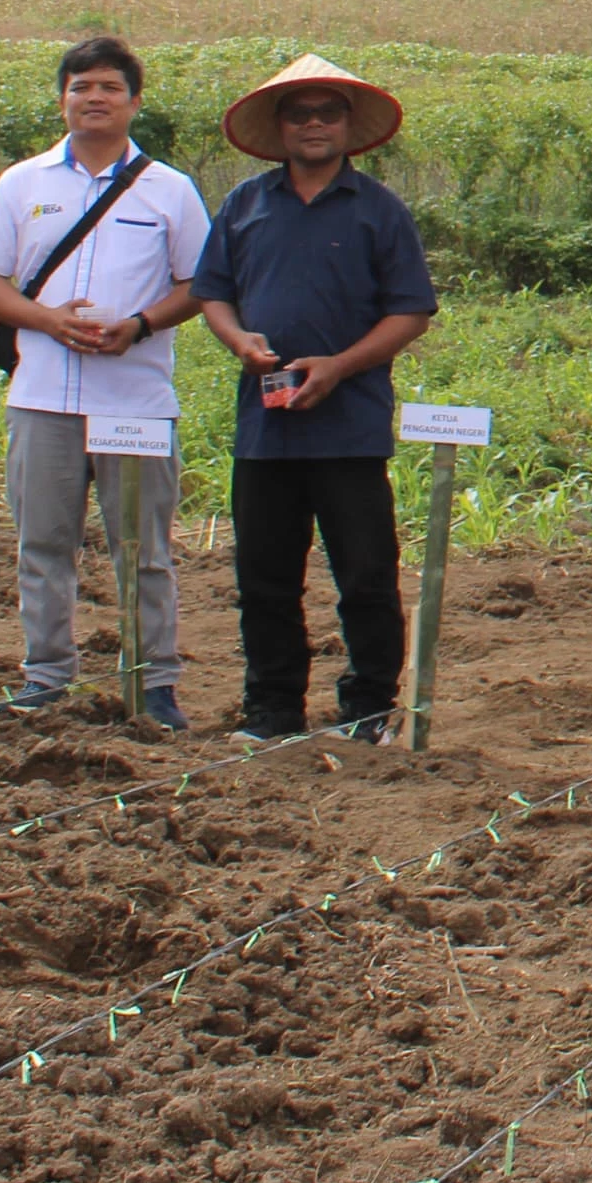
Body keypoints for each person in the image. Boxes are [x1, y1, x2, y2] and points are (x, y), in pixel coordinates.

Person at [0, 36, 211, 726]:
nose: (93, 98)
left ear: (134, 101)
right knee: (43, 542)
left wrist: (139, 322)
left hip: (135, 400)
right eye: (80, 86)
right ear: (62, 98)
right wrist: (42, 319)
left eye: (108, 87)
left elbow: (200, 282)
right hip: (42, 397)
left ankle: (153, 682)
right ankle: (45, 674)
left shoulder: (170, 189)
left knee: (144, 550)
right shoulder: (24, 182)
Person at [191, 58, 440, 744]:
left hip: (352, 428)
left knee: (365, 574)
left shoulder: (379, 210)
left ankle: (368, 708)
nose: (312, 124)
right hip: (264, 431)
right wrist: (239, 340)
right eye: (299, 113)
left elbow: (411, 311)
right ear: (279, 126)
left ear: (347, 126)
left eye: (326, 112)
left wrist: (339, 366)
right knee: (265, 577)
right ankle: (271, 707)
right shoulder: (245, 203)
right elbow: (212, 291)